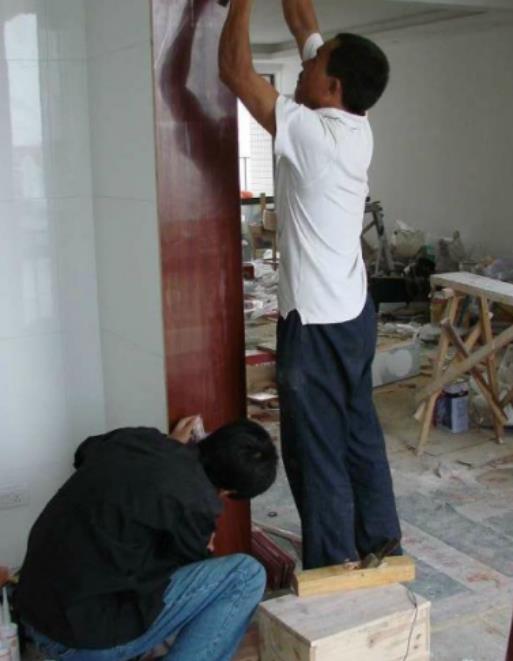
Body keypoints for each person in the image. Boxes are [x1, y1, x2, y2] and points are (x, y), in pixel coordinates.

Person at [219, 0, 402, 569]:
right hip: (351, 314)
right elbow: (303, 21)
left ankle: (333, 562)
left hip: (319, 324)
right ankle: (379, 539)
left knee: (315, 447)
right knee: (357, 431)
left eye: (314, 65)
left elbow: (235, 72)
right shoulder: (354, 123)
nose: (305, 65)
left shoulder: (316, 135)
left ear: (334, 87)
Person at [16, 417, 278, 661]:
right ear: (230, 491)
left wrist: (170, 446)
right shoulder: (196, 504)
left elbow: (83, 452)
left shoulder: (138, 439)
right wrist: (204, 545)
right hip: (79, 642)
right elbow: (191, 573)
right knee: (246, 575)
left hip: (33, 612)